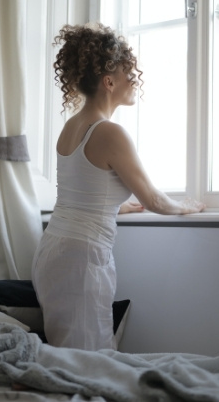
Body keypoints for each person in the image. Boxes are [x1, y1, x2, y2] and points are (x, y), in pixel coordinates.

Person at [31, 23, 205, 351]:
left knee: (68, 356)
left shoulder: (71, 127)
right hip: (81, 259)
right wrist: (185, 206)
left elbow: (81, 191)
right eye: (129, 73)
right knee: (90, 359)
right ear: (109, 82)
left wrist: (116, 205)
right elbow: (153, 199)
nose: (134, 80)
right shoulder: (110, 133)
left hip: (52, 251)